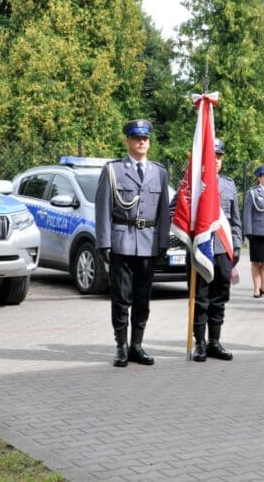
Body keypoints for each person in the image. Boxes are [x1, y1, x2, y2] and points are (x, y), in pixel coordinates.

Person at [96, 119, 170, 367]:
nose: (142, 142)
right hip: (122, 242)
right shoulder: (113, 170)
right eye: (137, 138)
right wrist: (104, 243)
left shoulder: (159, 172)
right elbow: (103, 208)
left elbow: (163, 213)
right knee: (121, 298)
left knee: (142, 298)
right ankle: (121, 347)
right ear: (128, 140)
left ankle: (137, 346)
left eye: (145, 138)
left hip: (148, 243)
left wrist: (163, 243)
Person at [189, 139, 243, 361]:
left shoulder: (229, 185)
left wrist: (237, 245)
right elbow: (178, 215)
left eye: (219, 157)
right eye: (213, 157)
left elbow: (236, 221)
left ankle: (214, 342)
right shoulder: (192, 183)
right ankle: (200, 343)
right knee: (200, 298)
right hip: (201, 250)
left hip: (223, 250)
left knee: (219, 297)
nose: (217, 161)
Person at [244, 164, 264, 298]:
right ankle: (256, 289)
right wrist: (248, 231)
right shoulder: (253, 193)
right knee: (256, 262)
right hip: (256, 232)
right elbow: (247, 213)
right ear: (259, 178)